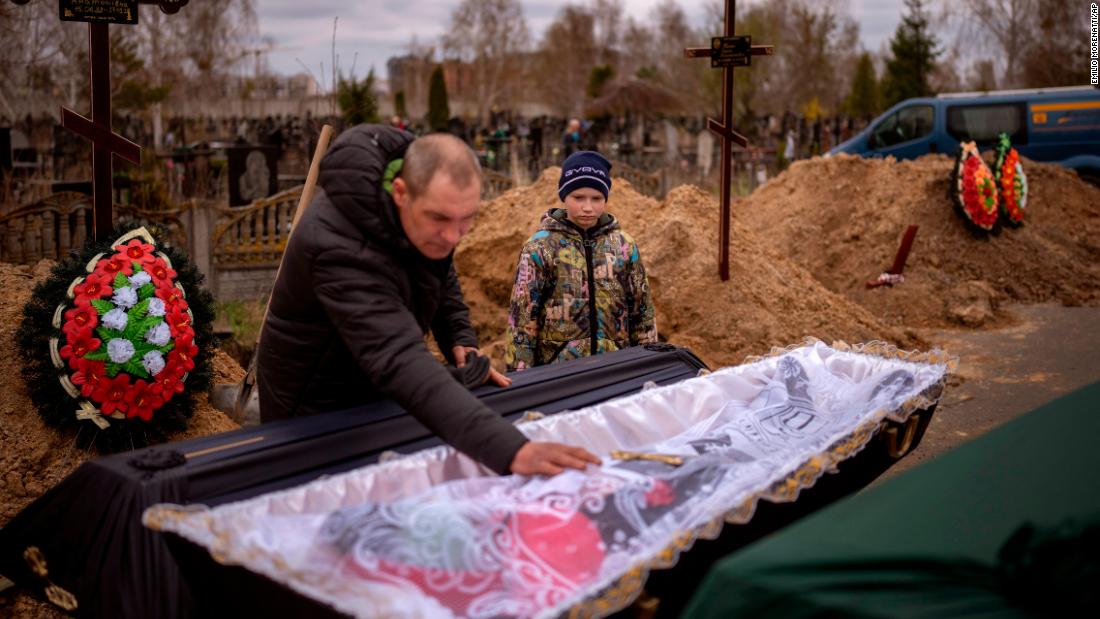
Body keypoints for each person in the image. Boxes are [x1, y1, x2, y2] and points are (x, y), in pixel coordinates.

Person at [257, 125, 600, 477]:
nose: (452, 236)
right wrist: (512, 449)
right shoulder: (336, 243)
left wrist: (459, 338)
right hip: (314, 407)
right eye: (439, 219)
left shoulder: (420, 214)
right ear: (401, 192)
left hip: (372, 386)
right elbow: (398, 359)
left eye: (465, 220)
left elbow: (438, 268)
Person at [505, 150, 657, 371]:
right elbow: (522, 318)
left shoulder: (624, 246)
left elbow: (642, 312)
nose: (588, 207)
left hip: (616, 367)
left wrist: (649, 365)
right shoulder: (540, 247)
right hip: (558, 372)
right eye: (578, 198)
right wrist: (520, 378)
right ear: (563, 196)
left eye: (596, 198)